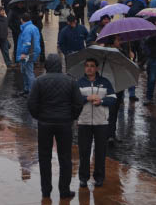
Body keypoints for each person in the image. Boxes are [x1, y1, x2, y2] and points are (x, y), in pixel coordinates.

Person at [27, 54, 84, 199]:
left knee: (44, 157)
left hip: (45, 123)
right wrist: (71, 117)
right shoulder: (71, 81)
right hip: (64, 123)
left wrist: (39, 116)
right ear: (60, 65)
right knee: (65, 158)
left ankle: (46, 190)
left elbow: (31, 103)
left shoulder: (39, 81)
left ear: (46, 65)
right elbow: (78, 103)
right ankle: (64, 190)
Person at [77, 57, 116, 188]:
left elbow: (113, 99)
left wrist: (101, 101)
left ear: (97, 68)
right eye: (87, 65)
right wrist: (87, 98)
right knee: (84, 151)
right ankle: (83, 177)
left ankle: (99, 177)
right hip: (84, 122)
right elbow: (74, 99)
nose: (89, 68)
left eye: (92, 66)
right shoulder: (79, 82)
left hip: (101, 123)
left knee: (100, 152)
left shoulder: (105, 82)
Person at [15, 12, 41, 96]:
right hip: (32, 52)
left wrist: (23, 53)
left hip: (28, 54)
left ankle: (31, 92)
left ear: (22, 20)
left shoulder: (27, 29)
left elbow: (27, 43)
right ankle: (27, 89)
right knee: (25, 71)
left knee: (28, 72)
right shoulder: (33, 27)